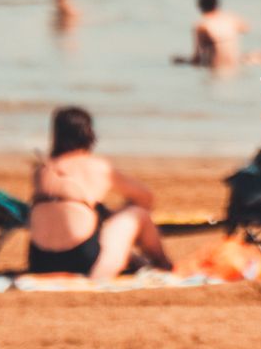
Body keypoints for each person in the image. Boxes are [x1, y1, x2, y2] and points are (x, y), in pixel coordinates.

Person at [26, 106, 173, 281]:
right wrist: (116, 213)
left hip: (40, 262)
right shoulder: (97, 167)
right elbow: (145, 198)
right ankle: (164, 264)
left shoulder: (41, 170)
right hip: (85, 259)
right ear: (89, 134)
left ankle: (135, 260)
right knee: (137, 214)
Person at [185, 0, 244, 69]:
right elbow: (245, 28)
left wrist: (183, 61)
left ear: (200, 6)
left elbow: (197, 58)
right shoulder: (231, 18)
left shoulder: (201, 26)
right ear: (217, 4)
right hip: (235, 65)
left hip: (216, 68)